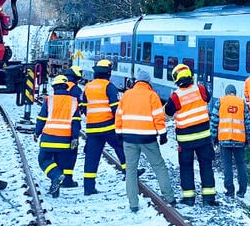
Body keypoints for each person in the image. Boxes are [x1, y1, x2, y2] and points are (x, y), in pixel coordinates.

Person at [115, 70, 176, 213]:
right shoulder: (152, 95)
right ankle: (170, 198)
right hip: (147, 138)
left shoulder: (127, 95)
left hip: (128, 137)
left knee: (130, 170)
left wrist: (118, 132)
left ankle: (133, 204)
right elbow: (158, 117)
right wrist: (163, 134)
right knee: (159, 166)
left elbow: (119, 115)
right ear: (148, 82)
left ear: (136, 81)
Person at [164, 64, 217, 207]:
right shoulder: (200, 89)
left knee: (186, 168)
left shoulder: (175, 96)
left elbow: (168, 113)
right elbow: (208, 98)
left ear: (176, 79)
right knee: (206, 165)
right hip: (204, 138)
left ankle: (189, 198)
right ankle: (209, 198)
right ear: (191, 76)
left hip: (185, 140)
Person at [80, 59, 134, 195]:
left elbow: (83, 107)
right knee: (120, 146)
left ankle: (88, 188)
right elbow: (116, 108)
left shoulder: (88, 87)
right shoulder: (109, 87)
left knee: (91, 157)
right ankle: (128, 172)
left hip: (92, 128)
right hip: (108, 126)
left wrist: (92, 117)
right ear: (108, 74)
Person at [35, 75, 82, 197]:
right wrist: (74, 138)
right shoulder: (74, 101)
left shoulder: (48, 100)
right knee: (60, 164)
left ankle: (55, 176)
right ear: (66, 87)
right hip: (65, 140)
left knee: (44, 160)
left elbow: (41, 118)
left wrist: (37, 132)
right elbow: (76, 122)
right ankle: (55, 188)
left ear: (54, 87)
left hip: (49, 138)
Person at [210, 84, 250, 198]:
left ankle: (229, 190)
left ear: (226, 92)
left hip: (224, 139)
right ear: (235, 92)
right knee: (241, 165)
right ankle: (242, 191)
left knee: (227, 165)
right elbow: (248, 123)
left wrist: (213, 138)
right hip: (239, 140)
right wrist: (248, 138)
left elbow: (214, 122)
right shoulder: (242, 103)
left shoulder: (220, 102)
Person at [61, 65, 84, 188]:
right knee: (71, 153)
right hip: (71, 126)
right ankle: (67, 179)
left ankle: (58, 176)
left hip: (57, 126)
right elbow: (81, 106)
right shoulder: (76, 90)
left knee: (59, 154)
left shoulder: (59, 87)